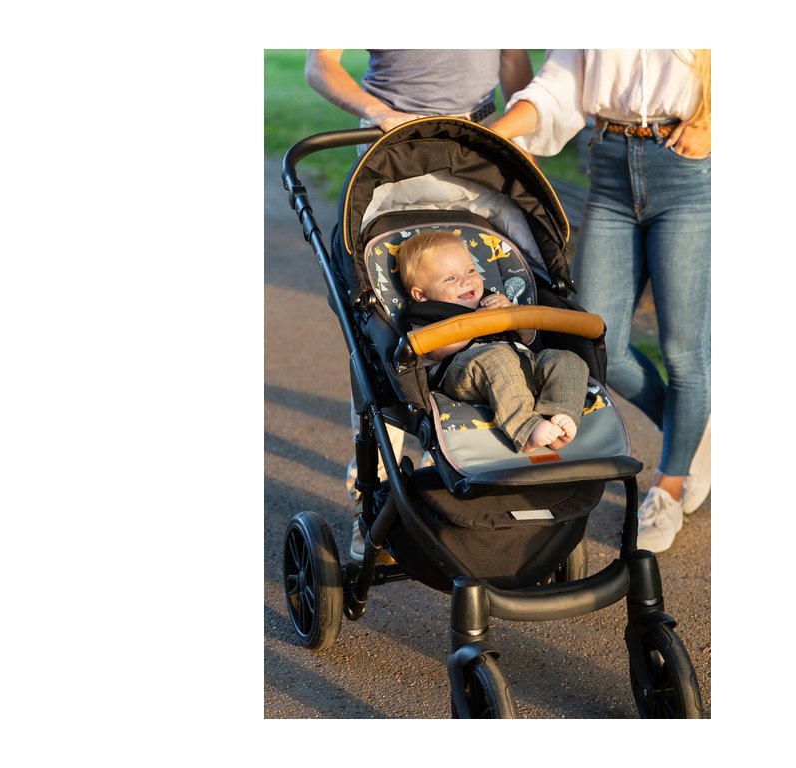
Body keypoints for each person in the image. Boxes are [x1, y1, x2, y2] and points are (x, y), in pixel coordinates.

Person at [305, 49, 534, 559]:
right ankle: (375, 494)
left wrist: (517, 143)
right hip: (391, 145)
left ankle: (471, 485)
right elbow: (320, 63)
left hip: (476, 148)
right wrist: (379, 111)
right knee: (381, 342)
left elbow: (512, 57)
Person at [491, 49, 712, 553]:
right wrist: (495, 133)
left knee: (683, 353)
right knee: (594, 338)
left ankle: (670, 486)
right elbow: (557, 87)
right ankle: (693, 427)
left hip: (687, 169)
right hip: (609, 170)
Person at [399, 230, 588, 453]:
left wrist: (511, 314)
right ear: (421, 295)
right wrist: (477, 323)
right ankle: (526, 429)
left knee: (566, 359)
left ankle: (560, 415)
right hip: (467, 372)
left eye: (470, 270)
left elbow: (528, 337)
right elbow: (434, 350)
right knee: (498, 358)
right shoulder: (427, 313)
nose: (466, 280)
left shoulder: (491, 299)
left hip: (522, 361)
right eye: (450, 278)